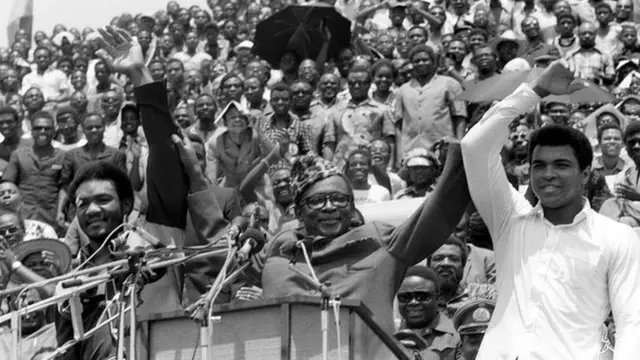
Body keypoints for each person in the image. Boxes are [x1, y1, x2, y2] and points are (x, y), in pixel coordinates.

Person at [460, 60, 640, 359]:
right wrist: (536, 91)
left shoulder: (618, 238)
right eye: (539, 165)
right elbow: (474, 146)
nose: (548, 174)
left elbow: (632, 324)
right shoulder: (510, 219)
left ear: (585, 174)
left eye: (562, 165)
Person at [396, 265, 460, 360]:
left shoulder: (457, 335)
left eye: (422, 296)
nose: (413, 302)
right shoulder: (388, 334)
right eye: (405, 297)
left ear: (438, 298)